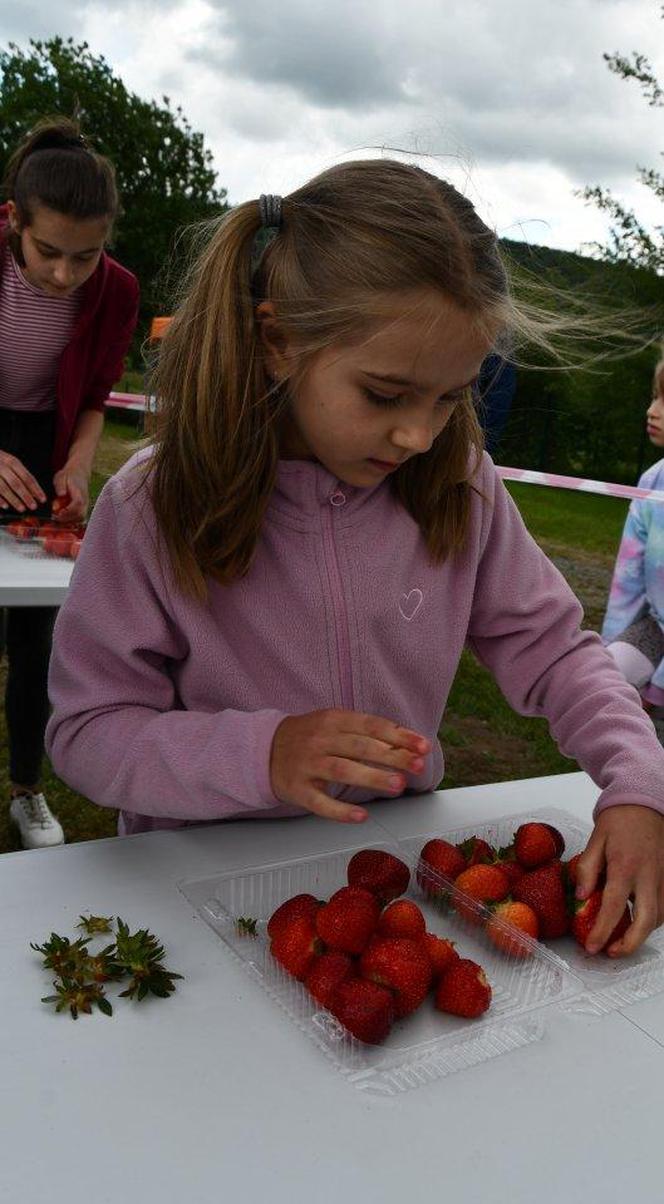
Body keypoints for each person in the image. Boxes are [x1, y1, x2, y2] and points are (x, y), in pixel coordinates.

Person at [46, 161, 664, 957]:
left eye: (450, 397)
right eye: (384, 394)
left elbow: (555, 653)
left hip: (392, 880)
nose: (420, 435)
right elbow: (88, 732)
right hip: (192, 893)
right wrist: (262, 754)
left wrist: (639, 786)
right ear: (278, 343)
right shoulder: (153, 504)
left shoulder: (456, 482)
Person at [0, 117, 139, 848]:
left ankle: (27, 789)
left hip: (44, 442)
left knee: (38, 640)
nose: (63, 275)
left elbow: (96, 397)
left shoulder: (116, 292)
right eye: (47, 252)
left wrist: (80, 464)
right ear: (13, 220)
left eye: (83, 258)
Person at [602, 351, 664, 719]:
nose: (652, 410)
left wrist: (656, 686)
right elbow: (627, 580)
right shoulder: (651, 482)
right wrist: (611, 645)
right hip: (656, 626)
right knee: (604, 681)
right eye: (656, 396)